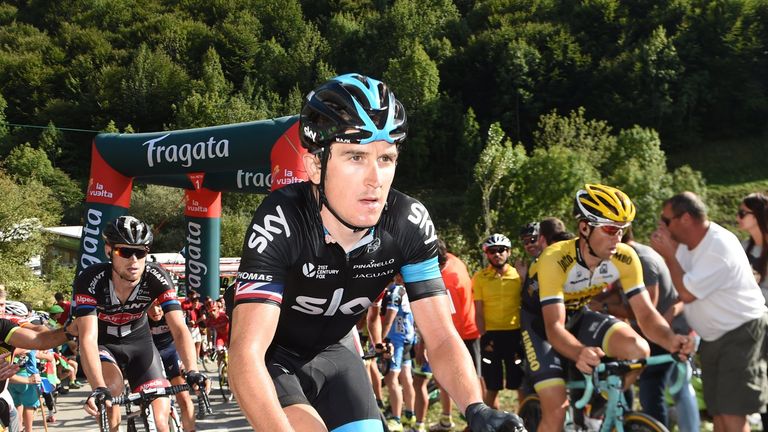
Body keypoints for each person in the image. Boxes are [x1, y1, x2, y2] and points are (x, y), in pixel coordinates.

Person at [227, 73, 523, 432]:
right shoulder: (282, 220)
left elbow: (442, 336)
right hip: (276, 359)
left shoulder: (408, 223)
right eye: (356, 156)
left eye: (386, 158)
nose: (375, 178)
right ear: (315, 166)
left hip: (337, 354)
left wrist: (476, 409)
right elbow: (245, 355)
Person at [520, 184, 693, 432]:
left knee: (638, 349)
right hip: (540, 325)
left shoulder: (625, 257)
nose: (617, 238)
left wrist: (671, 339)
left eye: (622, 230)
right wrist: (580, 352)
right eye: (611, 229)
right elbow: (554, 326)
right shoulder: (554, 259)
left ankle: (597, 412)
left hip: (579, 315)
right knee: (556, 411)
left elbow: (645, 314)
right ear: (584, 228)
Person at [72, 215, 206, 432]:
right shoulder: (90, 280)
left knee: (161, 418)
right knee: (111, 392)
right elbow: (87, 337)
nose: (134, 260)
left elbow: (180, 329)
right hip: (105, 345)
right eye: (124, 252)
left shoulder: (156, 276)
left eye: (141, 252)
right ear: (109, 250)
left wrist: (192, 370)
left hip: (140, 343)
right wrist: (98, 387)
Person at [651, 191, 768, 432]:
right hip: (715, 337)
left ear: (685, 219)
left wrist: (669, 256)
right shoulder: (687, 246)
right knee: (719, 415)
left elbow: (687, 293)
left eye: (666, 220)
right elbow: (682, 293)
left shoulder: (718, 245)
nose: (662, 226)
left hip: (741, 331)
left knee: (732, 414)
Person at [589, 227, 700, 430]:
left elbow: (643, 310)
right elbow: (620, 295)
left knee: (652, 390)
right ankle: (624, 420)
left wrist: (604, 307)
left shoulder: (640, 259)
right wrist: (596, 299)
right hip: (654, 331)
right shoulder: (626, 257)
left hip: (667, 331)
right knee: (634, 379)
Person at [0, 285, 79, 432]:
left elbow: (38, 335)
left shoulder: (5, 322)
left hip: (3, 394)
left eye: (2, 305)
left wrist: (69, 331)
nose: (0, 310)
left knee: (12, 417)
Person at [429, 239, 482, 431]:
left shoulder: (447, 280)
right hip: (468, 328)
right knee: (448, 377)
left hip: (463, 333)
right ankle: (446, 418)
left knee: (469, 379)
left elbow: (450, 316)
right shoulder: (453, 259)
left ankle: (478, 421)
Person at [473, 233, 525, 409]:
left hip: (514, 333)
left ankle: (525, 419)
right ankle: (487, 423)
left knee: (519, 382)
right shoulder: (480, 278)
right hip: (491, 336)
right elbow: (478, 311)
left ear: (508, 252)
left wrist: (524, 277)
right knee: (492, 385)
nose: (497, 254)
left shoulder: (518, 275)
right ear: (487, 254)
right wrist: (484, 335)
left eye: (501, 250)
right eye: (492, 251)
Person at [735, 192, 768, 431]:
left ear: (757, 215)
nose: (738, 217)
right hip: (750, 327)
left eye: (742, 213)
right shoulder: (742, 248)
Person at [147, 300, 196, 432]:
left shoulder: (171, 314)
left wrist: (188, 365)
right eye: (151, 307)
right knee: (153, 407)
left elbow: (183, 337)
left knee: (184, 399)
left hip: (172, 355)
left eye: (158, 306)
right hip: (152, 357)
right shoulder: (141, 318)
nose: (155, 311)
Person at [380, 275, 416, 431]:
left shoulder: (396, 292)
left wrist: (379, 341)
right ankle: (410, 414)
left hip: (396, 340)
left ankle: (396, 418)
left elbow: (389, 320)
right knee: (406, 377)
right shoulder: (409, 290)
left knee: (391, 378)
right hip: (408, 338)